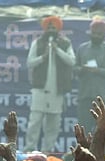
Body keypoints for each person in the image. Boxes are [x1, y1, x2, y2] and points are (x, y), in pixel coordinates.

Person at [24, 15, 75, 153]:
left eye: (54, 27)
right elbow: (29, 62)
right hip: (40, 90)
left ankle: (47, 151)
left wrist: (57, 50)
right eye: (49, 27)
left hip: (57, 90)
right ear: (45, 28)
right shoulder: (38, 43)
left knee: (53, 124)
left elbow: (72, 61)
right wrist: (43, 57)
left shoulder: (65, 43)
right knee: (34, 122)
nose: (51, 29)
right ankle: (29, 150)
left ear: (58, 28)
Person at [75, 18, 105, 132]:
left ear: (104, 34)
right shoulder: (82, 48)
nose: (96, 36)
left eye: (99, 34)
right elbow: (74, 69)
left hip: (102, 98)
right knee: (84, 130)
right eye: (93, 33)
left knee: (103, 130)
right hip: (85, 96)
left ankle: (104, 151)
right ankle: (84, 150)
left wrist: (98, 71)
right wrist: (83, 69)